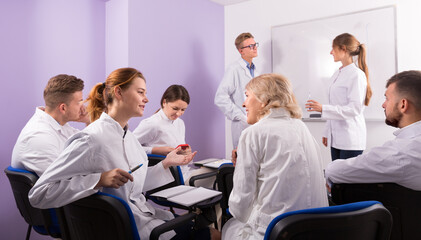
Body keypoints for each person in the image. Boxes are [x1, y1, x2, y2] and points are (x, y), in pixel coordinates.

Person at [29, 68, 219, 240]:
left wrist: (166, 163)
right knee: (214, 235)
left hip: (146, 218)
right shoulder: (92, 139)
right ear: (118, 92)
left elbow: (135, 184)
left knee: (212, 233)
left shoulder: (129, 139)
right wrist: (98, 179)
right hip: (129, 229)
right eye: (140, 92)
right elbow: (39, 194)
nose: (146, 99)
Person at [222, 74, 328, 239]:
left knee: (228, 227)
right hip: (314, 230)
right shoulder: (302, 127)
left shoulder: (253, 133)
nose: (243, 103)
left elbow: (240, 208)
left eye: (247, 96)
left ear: (263, 101)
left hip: (276, 233)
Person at [325, 70, 421, 191]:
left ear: (403, 105)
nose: (383, 105)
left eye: (387, 99)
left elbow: (334, 172)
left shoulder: (402, 152)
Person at [306, 33, 372, 161]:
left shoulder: (356, 75)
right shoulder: (337, 73)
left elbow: (354, 109)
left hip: (350, 138)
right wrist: (327, 132)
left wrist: (322, 109)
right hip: (335, 138)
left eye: (333, 48)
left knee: (345, 180)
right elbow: (334, 104)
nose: (331, 52)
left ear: (344, 49)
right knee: (336, 177)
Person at [133, 85, 215, 187]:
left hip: (185, 171)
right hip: (170, 178)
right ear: (164, 102)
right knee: (219, 175)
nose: (179, 113)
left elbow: (180, 152)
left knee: (218, 172)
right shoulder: (152, 124)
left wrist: (186, 152)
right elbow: (130, 148)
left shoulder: (179, 123)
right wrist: (155, 150)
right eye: (175, 108)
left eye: (183, 110)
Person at [11, 74, 89, 176]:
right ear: (63, 108)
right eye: (79, 102)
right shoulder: (40, 137)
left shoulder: (58, 124)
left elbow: (87, 144)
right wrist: (99, 180)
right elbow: (62, 182)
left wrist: (89, 120)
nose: (83, 106)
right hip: (60, 190)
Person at [214, 32, 259, 159]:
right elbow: (220, 97)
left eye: (255, 45)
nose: (254, 48)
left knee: (256, 158)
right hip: (243, 123)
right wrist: (240, 115)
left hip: (256, 122)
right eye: (250, 46)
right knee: (242, 159)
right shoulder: (234, 69)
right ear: (241, 51)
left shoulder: (255, 70)